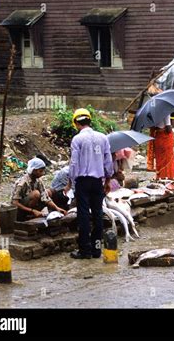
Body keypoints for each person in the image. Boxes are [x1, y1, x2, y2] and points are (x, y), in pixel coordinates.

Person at [69, 108, 113, 259]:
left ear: (76, 123)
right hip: (97, 182)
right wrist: (108, 180)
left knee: (83, 216)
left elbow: (74, 164)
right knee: (98, 214)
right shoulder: (103, 138)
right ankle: (96, 250)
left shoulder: (77, 140)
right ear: (89, 120)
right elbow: (108, 162)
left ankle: (85, 251)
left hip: (83, 181)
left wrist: (72, 182)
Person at [146, 115, 174, 179]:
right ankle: (167, 177)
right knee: (167, 159)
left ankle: (160, 176)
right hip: (165, 138)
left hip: (157, 137)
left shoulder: (153, 112)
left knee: (159, 159)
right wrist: (172, 129)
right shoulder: (166, 112)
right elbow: (168, 128)